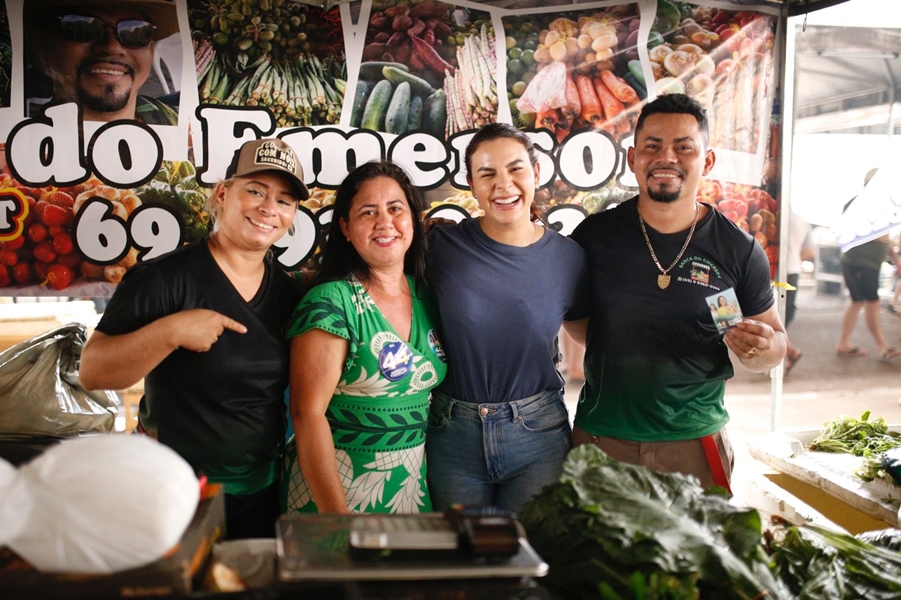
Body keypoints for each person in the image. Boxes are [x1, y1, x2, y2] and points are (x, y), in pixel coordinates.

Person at [80, 138, 308, 538]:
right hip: (174, 490)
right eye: (255, 190)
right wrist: (170, 332)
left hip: (264, 489)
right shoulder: (162, 279)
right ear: (223, 193)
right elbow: (94, 372)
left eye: (285, 200)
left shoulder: (290, 294)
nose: (269, 208)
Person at [567, 93, 786, 491]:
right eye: (653, 146)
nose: (666, 157)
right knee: (595, 554)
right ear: (633, 158)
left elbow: (774, 347)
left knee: (697, 553)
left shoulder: (738, 248)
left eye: (684, 147)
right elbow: (580, 326)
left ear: (707, 161)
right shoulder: (593, 238)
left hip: (696, 446)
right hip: (601, 440)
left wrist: (760, 348)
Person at [425, 123, 587, 513]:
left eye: (515, 169)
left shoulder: (568, 258)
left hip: (538, 434)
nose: (504, 184)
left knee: (530, 561)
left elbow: (588, 333)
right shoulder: (439, 246)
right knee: (462, 561)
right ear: (471, 183)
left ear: (536, 171)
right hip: (452, 435)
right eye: (487, 173)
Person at [281, 161, 447, 514]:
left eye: (395, 209)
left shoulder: (428, 296)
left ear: (414, 220)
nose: (384, 222)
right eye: (367, 212)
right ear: (345, 227)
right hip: (334, 498)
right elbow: (305, 414)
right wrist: (337, 520)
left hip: (409, 493)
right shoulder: (331, 303)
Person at [24, 0, 179, 125]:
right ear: (42, 47)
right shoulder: (14, 153)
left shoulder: (190, 133)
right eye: (83, 27)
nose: (112, 47)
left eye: (136, 31)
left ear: (151, 50)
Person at [835, 168, 901, 360]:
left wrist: (895, 259)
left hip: (868, 263)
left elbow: (885, 238)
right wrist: (875, 235)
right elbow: (850, 230)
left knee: (858, 302)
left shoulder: (881, 205)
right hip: (859, 263)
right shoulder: (857, 204)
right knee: (872, 302)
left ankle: (844, 343)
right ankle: (883, 346)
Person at [784, 210, 814, 373]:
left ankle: (786, 353)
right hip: (792, 270)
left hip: (768, 271)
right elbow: (810, 252)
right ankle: (788, 352)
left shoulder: (767, 213)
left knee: (766, 316)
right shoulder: (801, 221)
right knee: (781, 316)